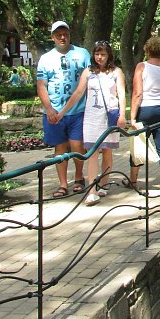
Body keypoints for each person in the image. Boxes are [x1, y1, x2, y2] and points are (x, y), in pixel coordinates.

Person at [57, 41, 126, 206]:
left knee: (107, 151)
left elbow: (122, 94)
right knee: (92, 152)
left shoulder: (116, 72)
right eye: (97, 54)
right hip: (92, 117)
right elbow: (78, 93)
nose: (99, 57)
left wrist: (123, 115)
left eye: (103, 54)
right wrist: (62, 112)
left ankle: (104, 183)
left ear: (109, 55)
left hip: (109, 116)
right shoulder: (88, 72)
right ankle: (92, 191)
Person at [37, 21, 91, 198]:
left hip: (78, 111)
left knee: (77, 146)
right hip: (54, 112)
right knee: (60, 148)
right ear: (52, 37)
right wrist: (49, 109)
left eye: (65, 34)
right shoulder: (45, 59)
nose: (62, 37)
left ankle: (79, 178)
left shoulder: (82, 54)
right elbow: (41, 85)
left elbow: (90, 80)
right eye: (58, 35)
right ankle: (62, 184)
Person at [127, 36, 160, 191]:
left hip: (146, 110)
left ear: (147, 51)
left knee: (139, 144)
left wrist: (132, 117)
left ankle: (133, 181)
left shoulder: (142, 66)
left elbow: (137, 93)